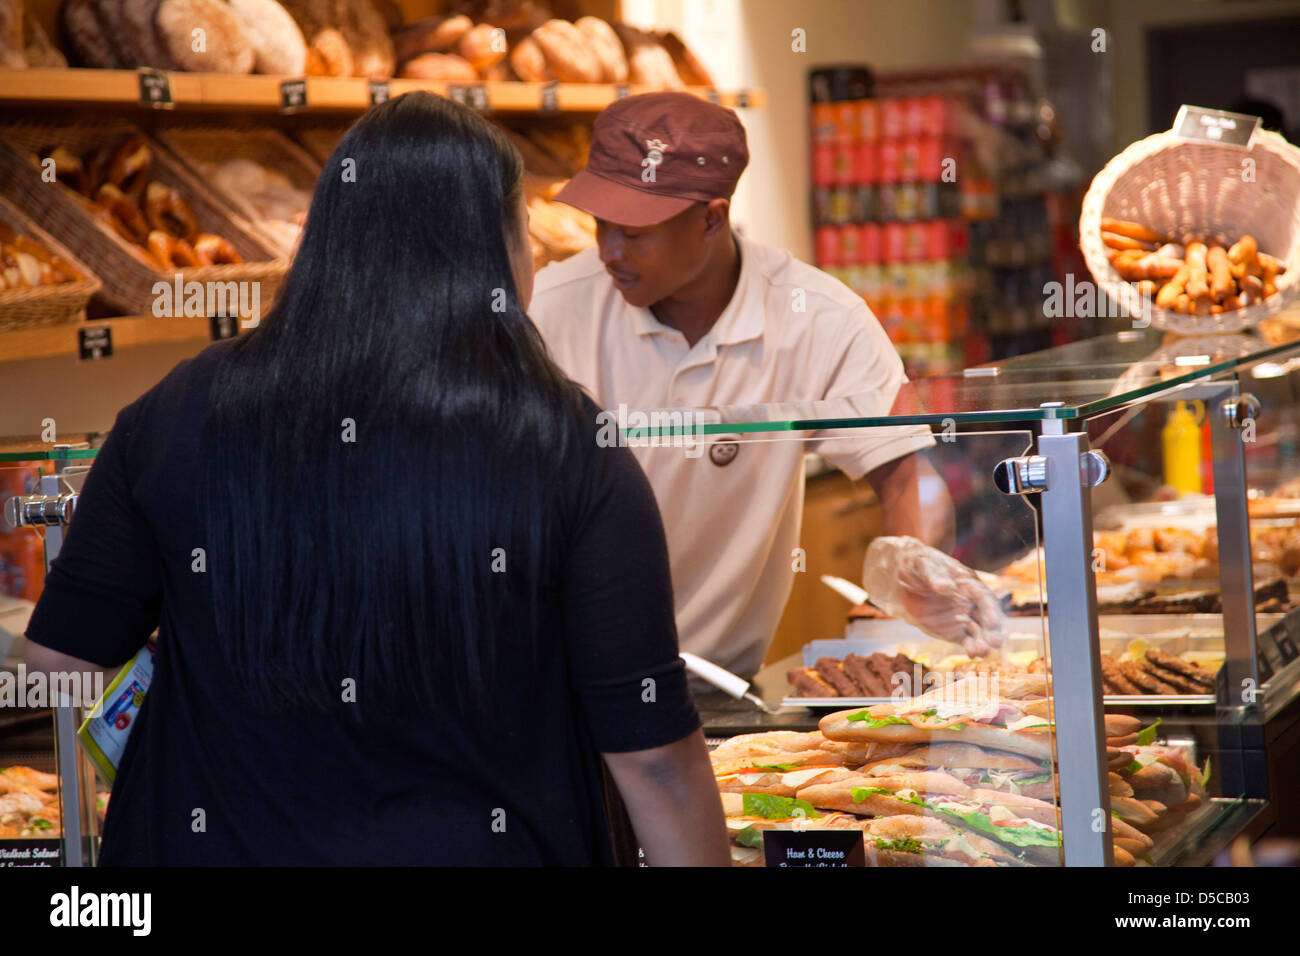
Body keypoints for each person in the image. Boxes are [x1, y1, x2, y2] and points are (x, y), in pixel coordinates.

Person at [23, 91, 729, 866]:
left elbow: (60, 668)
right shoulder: (566, 442)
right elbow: (654, 761)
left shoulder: (175, 412)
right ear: (496, 250)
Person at [530, 93, 957, 680]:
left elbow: (908, 478)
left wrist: (908, 585)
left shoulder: (818, 317)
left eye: (634, 231)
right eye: (600, 224)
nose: (608, 251)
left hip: (718, 687)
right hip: (556, 678)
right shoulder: (546, 310)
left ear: (711, 217)